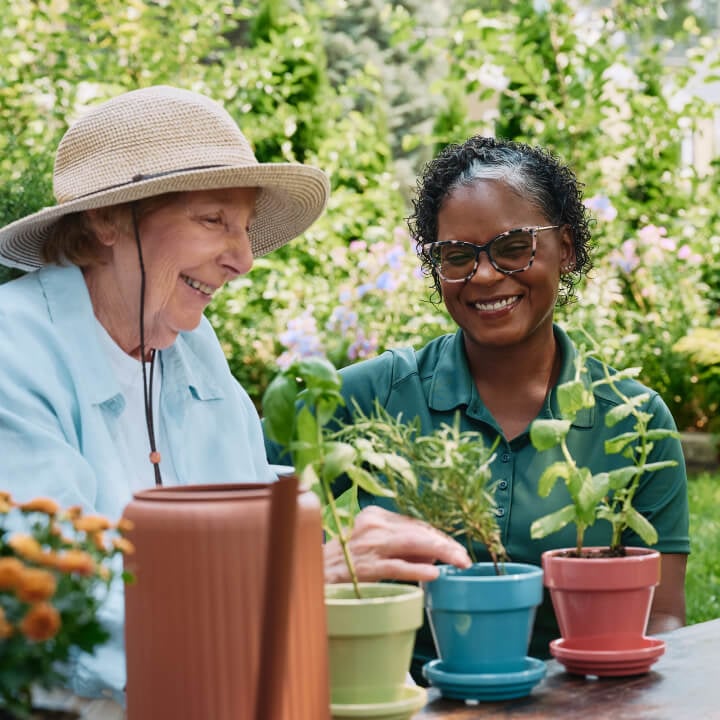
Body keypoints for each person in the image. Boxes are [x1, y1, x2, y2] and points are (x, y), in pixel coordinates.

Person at [268, 136, 690, 684]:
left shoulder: (634, 420)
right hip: (403, 702)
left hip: (583, 703)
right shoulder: (376, 394)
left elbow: (663, 617)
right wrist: (312, 572)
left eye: (513, 246)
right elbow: (232, 497)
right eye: (458, 256)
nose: (485, 275)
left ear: (565, 247)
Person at [0, 85, 341, 716]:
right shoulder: (12, 354)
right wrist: (294, 591)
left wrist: (335, 538)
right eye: (213, 220)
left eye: (243, 229)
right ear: (107, 220)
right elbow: (56, 605)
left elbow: (241, 502)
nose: (241, 259)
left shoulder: (188, 344)